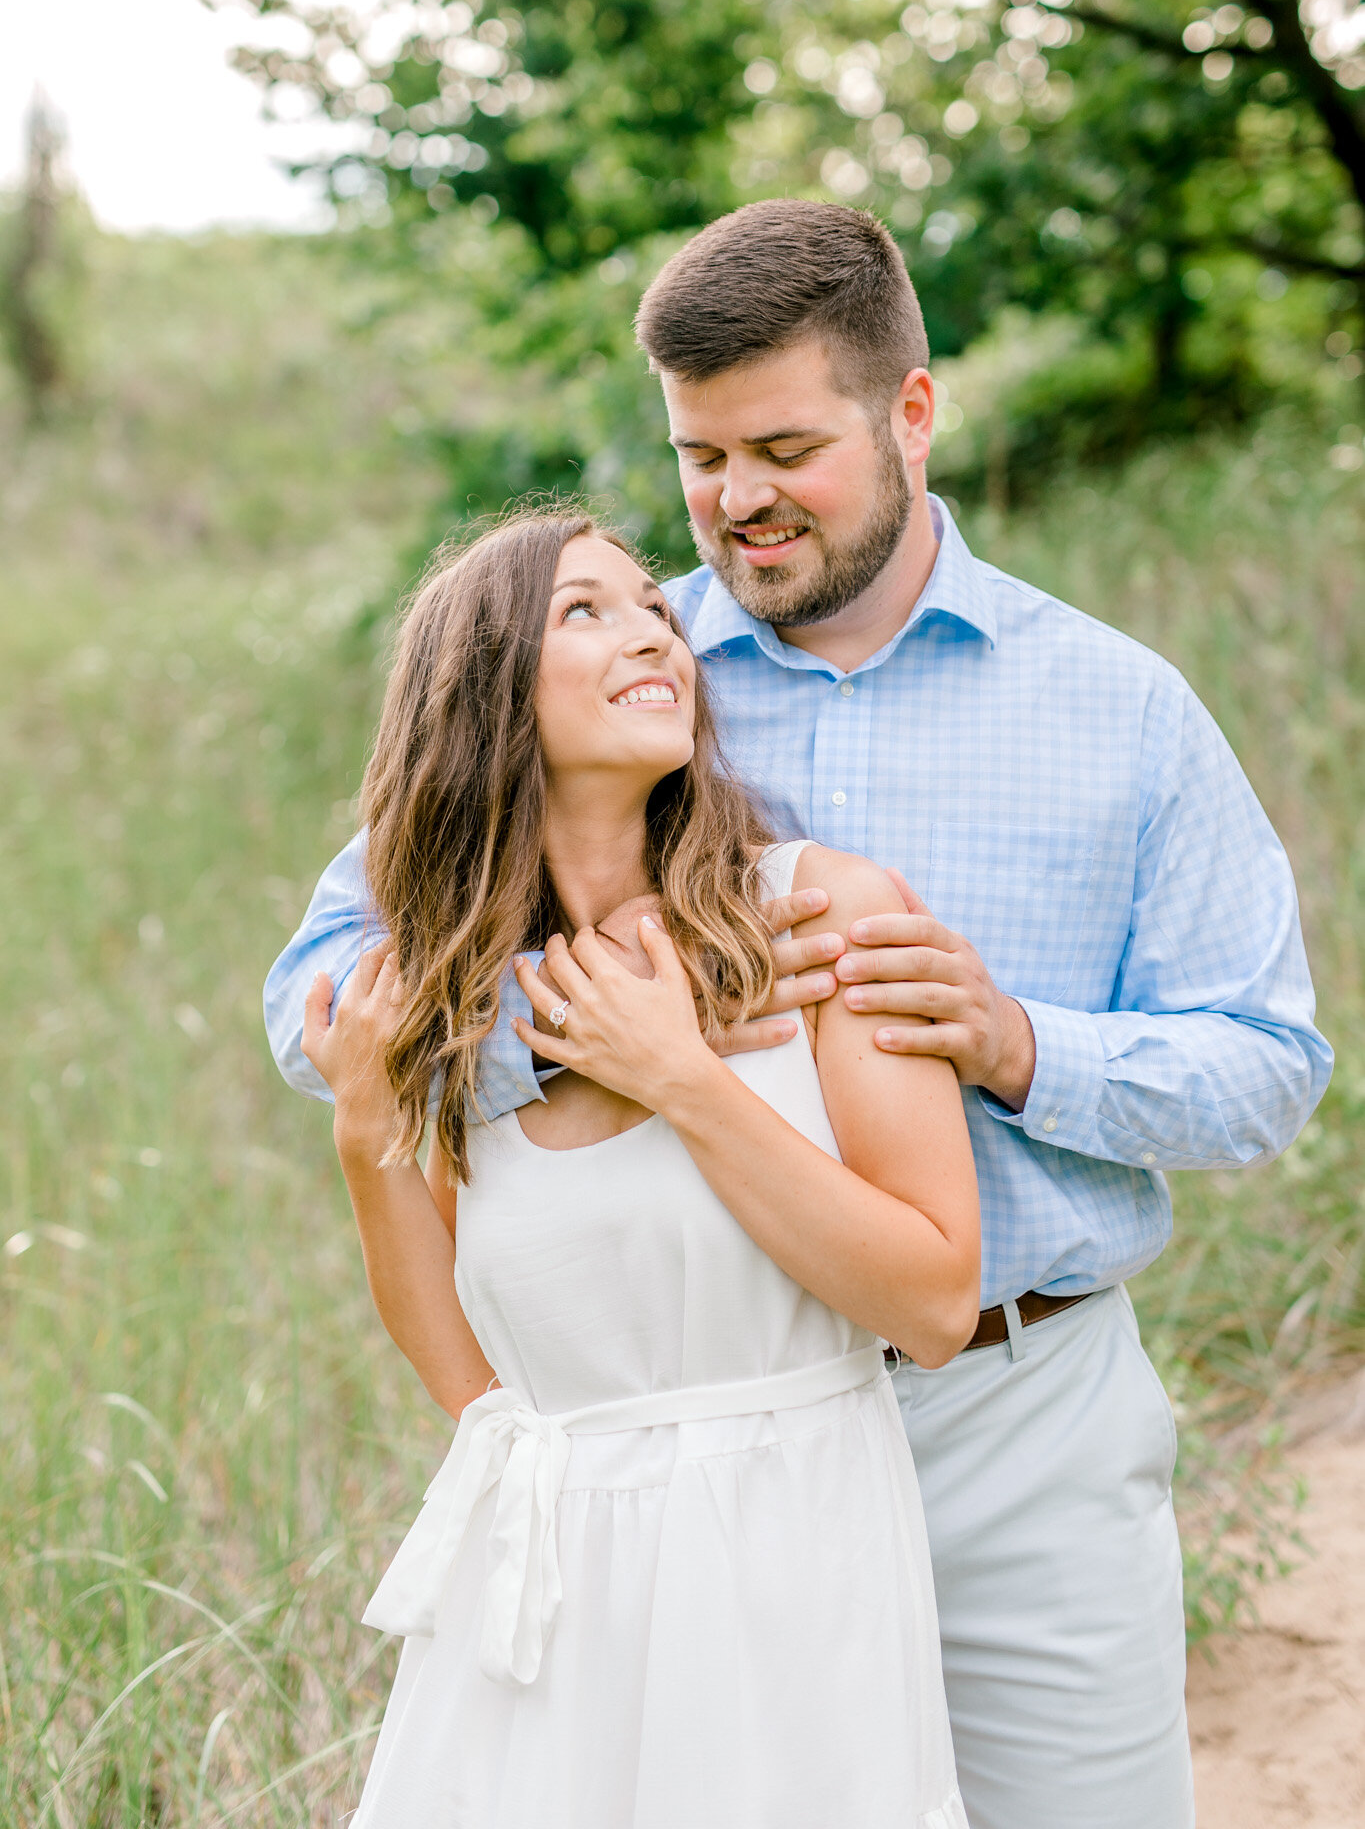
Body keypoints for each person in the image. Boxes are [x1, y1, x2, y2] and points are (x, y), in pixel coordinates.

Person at [267, 200, 1333, 1829]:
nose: (734, 502)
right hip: (684, 1440)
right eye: (699, 457)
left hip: (1004, 1407)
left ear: (910, 410)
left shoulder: (1111, 708)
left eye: (782, 447)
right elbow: (337, 982)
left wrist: (1015, 1044)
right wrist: (581, 1040)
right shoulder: (620, 667)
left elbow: (1265, 1067)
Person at [297, 509, 979, 1828]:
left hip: (791, 1562)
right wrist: (362, 1123)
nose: (652, 632)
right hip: (552, 1591)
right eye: (586, 612)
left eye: (655, 610)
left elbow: (934, 1301)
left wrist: (680, 1076)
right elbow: (472, 1386)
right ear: (486, 695)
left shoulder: (824, 915)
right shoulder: (451, 1004)